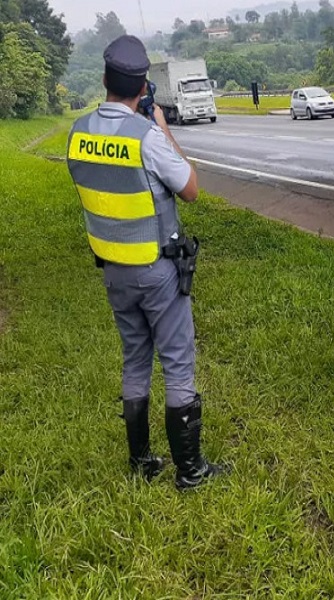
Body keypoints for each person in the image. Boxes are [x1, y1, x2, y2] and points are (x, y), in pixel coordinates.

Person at [65, 35, 227, 490]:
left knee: (135, 359)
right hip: (157, 270)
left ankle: (141, 461)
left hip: (113, 270)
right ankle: (191, 471)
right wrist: (160, 125)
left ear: (103, 80)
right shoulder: (146, 136)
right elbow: (191, 188)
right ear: (142, 87)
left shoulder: (78, 133)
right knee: (177, 361)